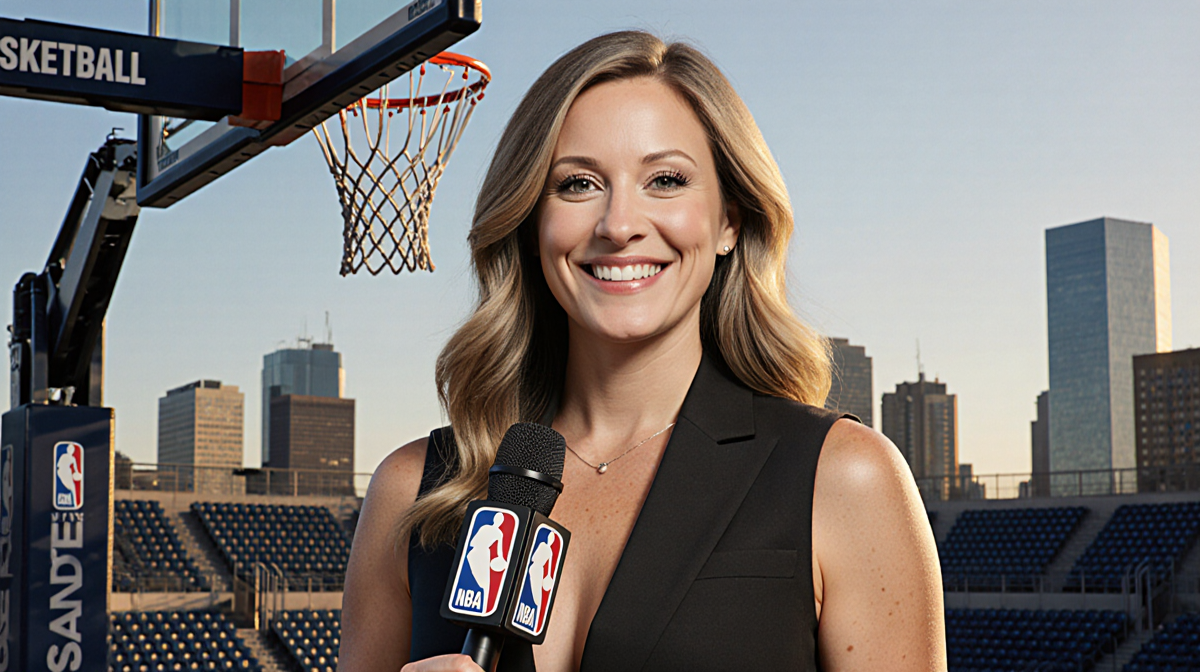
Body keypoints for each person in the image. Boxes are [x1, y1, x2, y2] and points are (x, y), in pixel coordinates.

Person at [339, 30, 945, 672]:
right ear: (529, 220)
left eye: (665, 179)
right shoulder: (412, 490)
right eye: (576, 184)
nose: (619, 224)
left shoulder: (844, 478)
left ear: (729, 221)